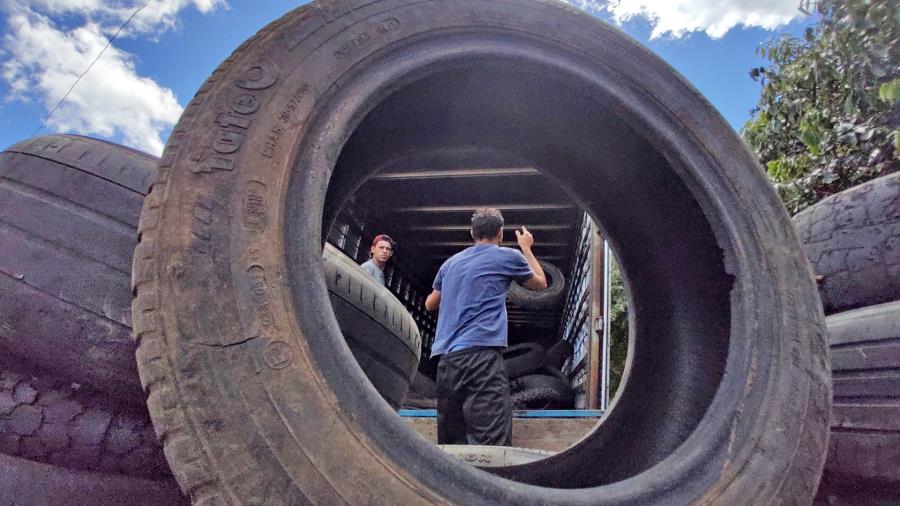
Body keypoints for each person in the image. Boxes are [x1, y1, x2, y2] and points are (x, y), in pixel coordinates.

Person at [424, 208, 547, 445]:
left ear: (472, 233)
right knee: (492, 443)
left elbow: (430, 304)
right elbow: (540, 284)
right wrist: (526, 248)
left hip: (447, 363)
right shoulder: (507, 256)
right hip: (481, 360)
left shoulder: (449, 264)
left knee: (451, 444)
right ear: (500, 233)